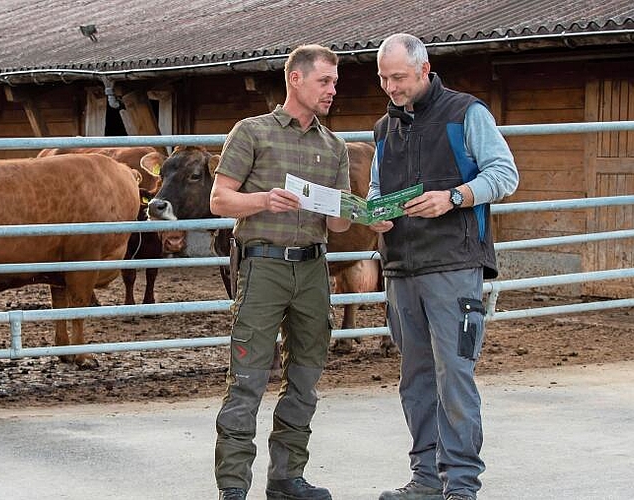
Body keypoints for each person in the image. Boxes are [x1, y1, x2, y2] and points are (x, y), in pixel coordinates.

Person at [368, 34, 519, 500]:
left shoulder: (465, 113)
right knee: (415, 377)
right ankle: (426, 479)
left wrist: (455, 197)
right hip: (401, 268)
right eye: (383, 79)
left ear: (424, 69)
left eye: (398, 77)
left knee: (454, 374)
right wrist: (375, 211)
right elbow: (376, 187)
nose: (391, 87)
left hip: (453, 264)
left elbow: (504, 173)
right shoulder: (383, 129)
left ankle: (461, 484)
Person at [210, 44, 351, 500]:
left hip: (312, 268)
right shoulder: (252, 133)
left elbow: (340, 221)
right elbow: (219, 200)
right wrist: (263, 200)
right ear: (296, 79)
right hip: (263, 266)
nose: (332, 89)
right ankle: (233, 485)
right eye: (324, 81)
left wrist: (364, 215)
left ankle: (288, 477)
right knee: (248, 378)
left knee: (306, 376)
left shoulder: (335, 146)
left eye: (334, 82)